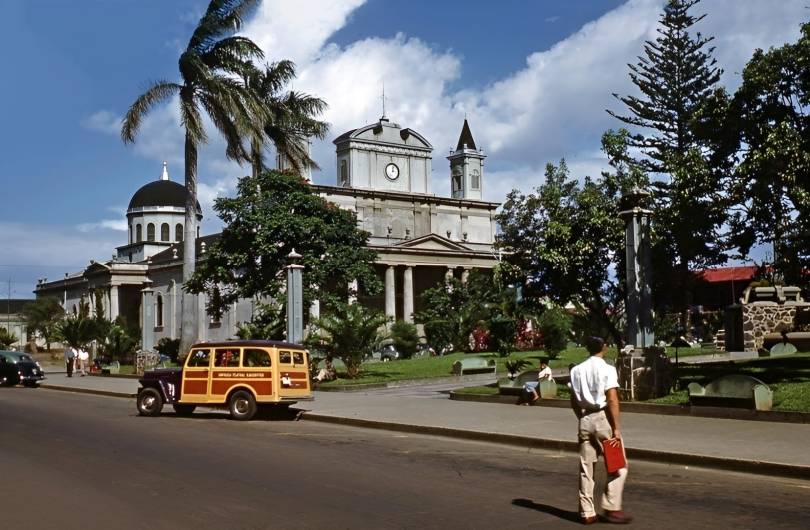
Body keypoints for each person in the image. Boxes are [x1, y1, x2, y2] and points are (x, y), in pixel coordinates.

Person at [569, 336, 632, 525]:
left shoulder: (577, 370)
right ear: (604, 347)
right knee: (618, 465)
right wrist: (616, 428)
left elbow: (573, 399)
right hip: (603, 419)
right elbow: (612, 398)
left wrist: (581, 418)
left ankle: (587, 512)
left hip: (585, 418)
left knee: (586, 468)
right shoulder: (607, 369)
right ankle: (612, 506)